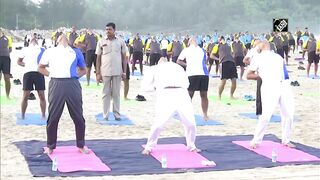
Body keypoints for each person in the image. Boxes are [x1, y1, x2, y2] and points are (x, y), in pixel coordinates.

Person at [38, 33, 88, 154]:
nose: (63, 37)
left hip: (72, 84)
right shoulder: (50, 51)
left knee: (78, 116)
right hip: (56, 83)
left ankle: (81, 145)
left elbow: (84, 69)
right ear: (57, 40)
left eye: (65, 36)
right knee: (54, 117)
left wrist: (75, 77)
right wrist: (52, 75)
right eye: (61, 36)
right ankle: (50, 146)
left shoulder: (75, 52)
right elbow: (40, 67)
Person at [141, 58, 200, 155]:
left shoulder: (177, 67)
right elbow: (146, 87)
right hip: (166, 94)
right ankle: (149, 146)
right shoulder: (154, 69)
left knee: (190, 123)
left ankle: (191, 145)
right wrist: (157, 88)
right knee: (159, 123)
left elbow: (186, 82)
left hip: (181, 93)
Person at [247, 41, 295, 149]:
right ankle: (256, 140)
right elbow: (249, 75)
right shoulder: (258, 57)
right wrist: (263, 76)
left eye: (257, 45)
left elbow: (284, 74)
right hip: (269, 86)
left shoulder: (278, 57)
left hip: (283, 85)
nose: (256, 47)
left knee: (288, 114)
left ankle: (286, 139)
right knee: (266, 115)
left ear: (263, 45)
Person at [95, 22, 128, 120]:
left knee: (116, 94)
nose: (108, 31)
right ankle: (105, 115)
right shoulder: (101, 42)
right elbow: (98, 58)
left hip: (118, 71)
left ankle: (117, 115)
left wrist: (124, 72)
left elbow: (124, 57)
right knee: (105, 94)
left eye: (110, 29)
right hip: (105, 71)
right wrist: (97, 73)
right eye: (106, 29)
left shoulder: (121, 42)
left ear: (114, 30)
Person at [177, 37, 209, 120]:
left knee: (203, 95)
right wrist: (187, 65)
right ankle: (186, 114)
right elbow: (179, 61)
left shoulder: (202, 50)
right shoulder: (186, 50)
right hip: (192, 74)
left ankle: (205, 114)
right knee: (190, 95)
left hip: (202, 74)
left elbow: (205, 61)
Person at [17, 38, 46, 119]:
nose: (34, 40)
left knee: (41, 95)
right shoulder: (25, 49)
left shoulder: (42, 49)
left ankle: (43, 115)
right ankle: (22, 115)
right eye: (32, 40)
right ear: (29, 42)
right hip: (28, 73)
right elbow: (19, 61)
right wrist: (26, 65)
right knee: (26, 95)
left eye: (35, 40)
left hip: (39, 73)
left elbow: (47, 62)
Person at [210, 36, 237, 100]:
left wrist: (232, 57)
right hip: (224, 63)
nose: (221, 40)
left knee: (234, 80)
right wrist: (218, 59)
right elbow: (211, 55)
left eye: (221, 39)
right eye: (219, 39)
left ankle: (231, 95)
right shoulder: (217, 46)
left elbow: (232, 53)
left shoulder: (229, 45)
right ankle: (219, 95)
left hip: (231, 62)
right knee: (223, 81)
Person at [0, 28, 13, 98]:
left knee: (7, 78)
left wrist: (6, 52)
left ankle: (7, 95)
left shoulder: (8, 38)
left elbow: (10, 48)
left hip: (6, 59)